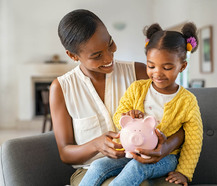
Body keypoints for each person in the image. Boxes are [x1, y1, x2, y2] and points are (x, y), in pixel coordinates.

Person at [50, 9, 185, 186]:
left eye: (110, 43)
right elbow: (65, 153)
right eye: (97, 55)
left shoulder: (138, 73)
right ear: (73, 56)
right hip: (90, 172)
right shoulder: (62, 88)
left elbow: (183, 121)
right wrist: (96, 145)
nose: (109, 57)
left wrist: (165, 147)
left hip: (144, 163)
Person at [79, 22, 203, 186]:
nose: (157, 73)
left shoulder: (187, 101)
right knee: (98, 165)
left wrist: (184, 173)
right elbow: (119, 115)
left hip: (167, 157)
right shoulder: (137, 88)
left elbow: (194, 140)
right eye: (151, 66)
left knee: (136, 168)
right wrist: (127, 116)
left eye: (166, 67)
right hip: (131, 150)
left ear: (182, 66)